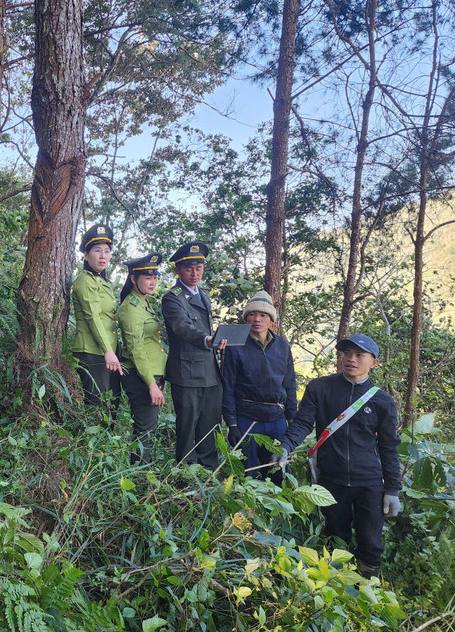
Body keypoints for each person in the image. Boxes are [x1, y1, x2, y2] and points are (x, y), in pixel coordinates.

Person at [274, 334, 402, 577]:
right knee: (335, 538)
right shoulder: (320, 388)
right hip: (331, 480)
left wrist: (392, 489)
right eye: (346, 353)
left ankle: (367, 590)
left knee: (371, 543)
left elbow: (389, 446)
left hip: (369, 482)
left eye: (359, 355)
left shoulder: (382, 401)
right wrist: (286, 445)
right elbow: (303, 423)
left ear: (373, 363)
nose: (350, 359)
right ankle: (336, 590)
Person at [161, 241, 226, 468]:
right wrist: (207, 340)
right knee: (188, 427)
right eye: (189, 268)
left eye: (198, 268)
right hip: (187, 373)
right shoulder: (172, 298)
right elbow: (182, 327)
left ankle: (208, 472)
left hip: (210, 371)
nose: (195, 273)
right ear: (178, 270)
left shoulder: (204, 294)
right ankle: (186, 475)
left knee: (210, 424)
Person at [221, 291, 297, 483]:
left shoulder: (282, 346)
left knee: (279, 471)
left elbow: (289, 383)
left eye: (263, 315)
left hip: (276, 419)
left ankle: (279, 512)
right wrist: (232, 423)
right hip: (247, 418)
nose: (257, 319)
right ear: (246, 318)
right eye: (252, 314)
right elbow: (227, 385)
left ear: (271, 319)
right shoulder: (235, 345)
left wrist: (292, 419)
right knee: (249, 474)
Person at [117, 253, 167, 463]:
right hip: (140, 377)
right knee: (145, 432)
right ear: (132, 279)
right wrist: (151, 384)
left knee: (149, 430)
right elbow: (136, 349)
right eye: (147, 277)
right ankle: (138, 478)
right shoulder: (130, 309)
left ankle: (141, 475)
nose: (152, 281)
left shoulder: (144, 304)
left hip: (150, 375)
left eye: (155, 276)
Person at [71, 224, 123, 416]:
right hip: (93, 352)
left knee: (111, 406)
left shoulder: (104, 283)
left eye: (107, 251)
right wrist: (107, 351)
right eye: (97, 250)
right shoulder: (84, 280)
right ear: (86, 255)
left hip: (108, 353)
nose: (103, 256)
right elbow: (92, 317)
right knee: (97, 407)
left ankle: (108, 446)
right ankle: (92, 447)